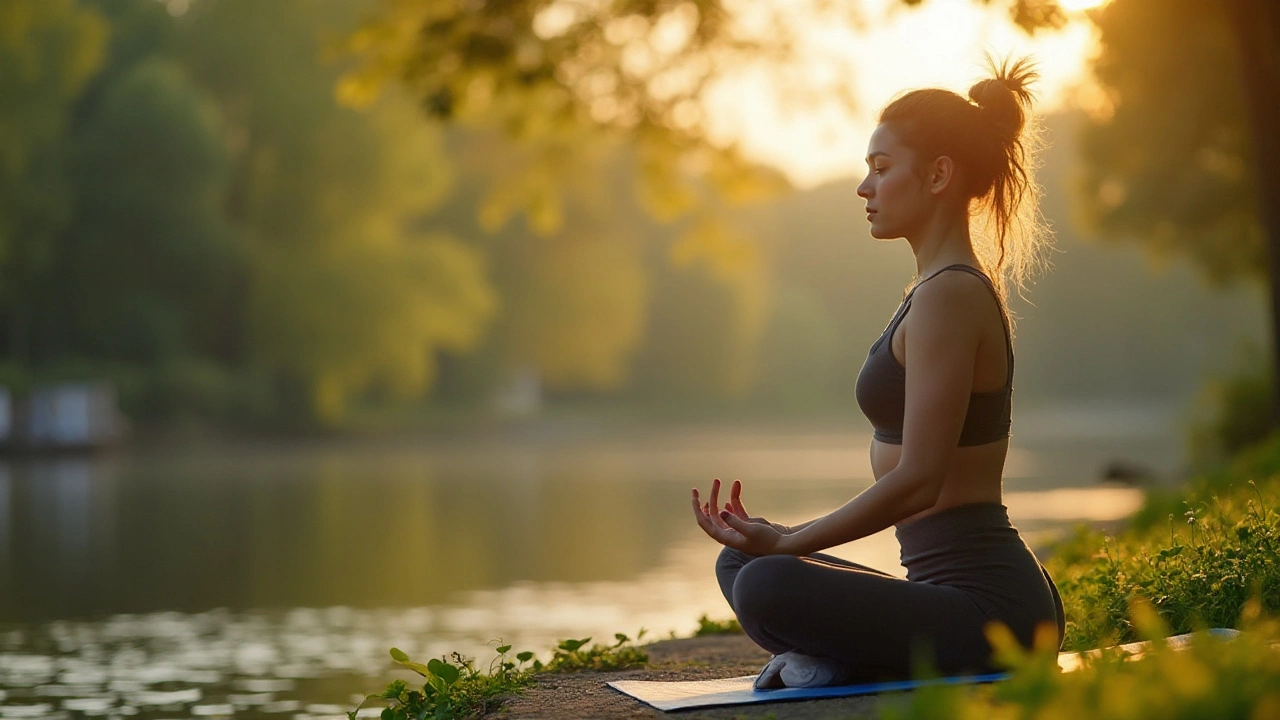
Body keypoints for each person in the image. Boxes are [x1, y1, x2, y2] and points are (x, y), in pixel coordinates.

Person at [690, 57, 1065, 689]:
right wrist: (781, 536)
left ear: (940, 174)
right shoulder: (931, 291)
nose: (865, 188)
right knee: (742, 562)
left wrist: (792, 545)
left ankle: (838, 661)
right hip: (947, 596)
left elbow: (920, 481)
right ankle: (842, 658)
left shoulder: (951, 295)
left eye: (882, 169)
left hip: (995, 614)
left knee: (770, 580)